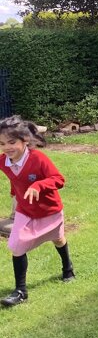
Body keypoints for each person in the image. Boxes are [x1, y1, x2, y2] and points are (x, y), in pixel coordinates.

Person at [0, 116, 75, 307]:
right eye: (2, 144)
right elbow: (14, 176)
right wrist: (14, 190)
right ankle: (20, 291)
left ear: (24, 140)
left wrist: (38, 185)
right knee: (17, 245)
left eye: (11, 142)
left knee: (58, 239)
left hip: (49, 210)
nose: (7, 147)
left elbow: (59, 179)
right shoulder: (3, 161)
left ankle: (67, 268)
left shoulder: (38, 158)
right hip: (25, 210)